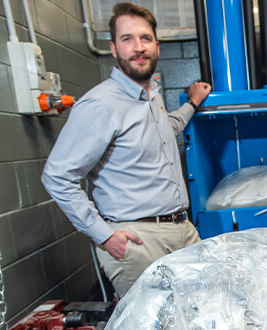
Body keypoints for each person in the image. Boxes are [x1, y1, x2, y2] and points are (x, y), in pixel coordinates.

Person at [41, 2, 211, 298]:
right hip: (139, 241)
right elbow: (57, 176)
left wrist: (192, 104)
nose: (138, 47)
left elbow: (165, 131)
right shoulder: (101, 105)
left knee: (201, 316)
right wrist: (103, 235)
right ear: (113, 48)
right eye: (127, 39)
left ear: (157, 46)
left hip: (181, 229)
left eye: (145, 38)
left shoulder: (148, 96)